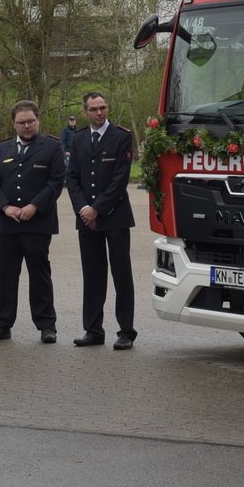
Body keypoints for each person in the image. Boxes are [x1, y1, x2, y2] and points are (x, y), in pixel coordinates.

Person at [0, 100, 66, 343]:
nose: (26, 126)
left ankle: (46, 325)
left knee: (39, 276)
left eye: (30, 121)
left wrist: (34, 206)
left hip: (37, 223)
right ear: (14, 124)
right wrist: (5, 207)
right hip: (8, 223)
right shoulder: (3, 148)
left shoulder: (52, 146)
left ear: (38, 120)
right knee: (6, 276)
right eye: (21, 122)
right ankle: (2, 324)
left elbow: (56, 181)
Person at [63, 91, 138, 349]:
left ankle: (126, 331)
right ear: (85, 112)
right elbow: (72, 178)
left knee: (121, 275)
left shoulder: (121, 136)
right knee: (93, 275)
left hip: (115, 216)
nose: (99, 112)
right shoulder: (78, 138)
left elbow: (120, 179)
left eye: (103, 107)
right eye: (94, 109)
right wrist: (84, 209)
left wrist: (97, 209)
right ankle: (93, 330)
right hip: (87, 219)